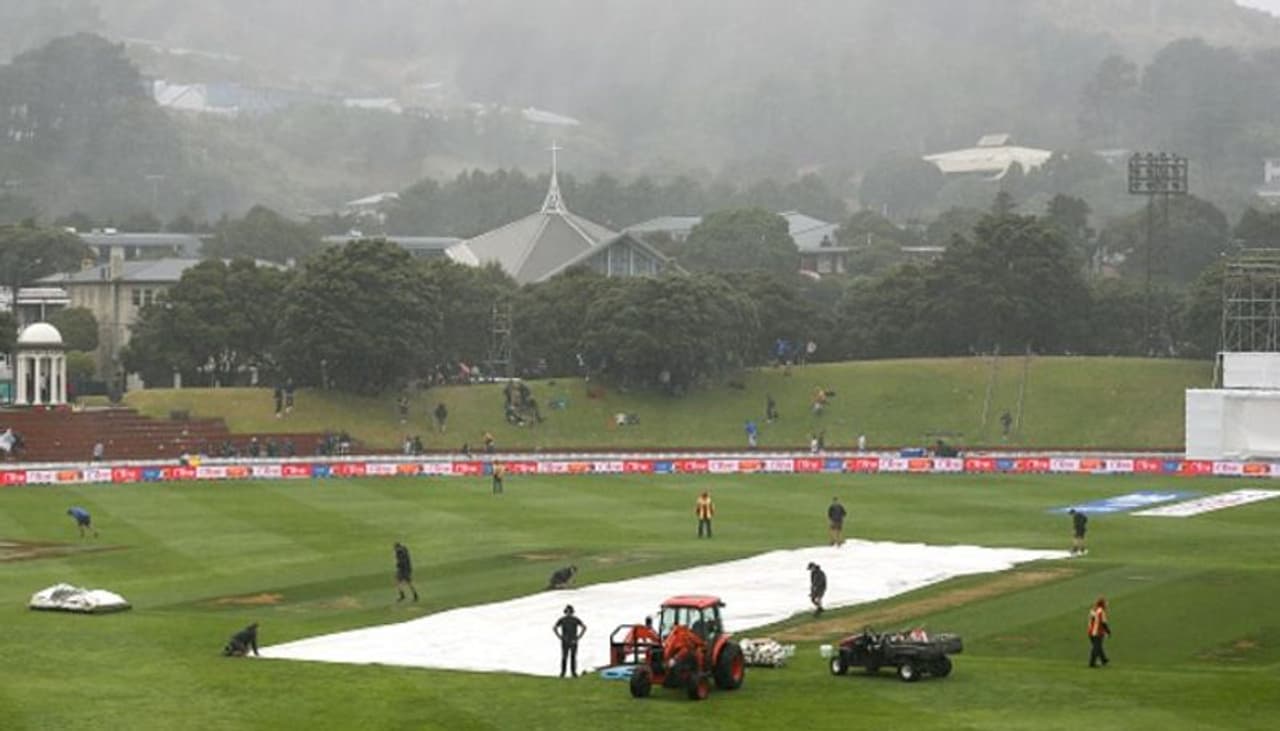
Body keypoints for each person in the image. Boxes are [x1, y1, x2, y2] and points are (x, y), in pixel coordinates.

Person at [553, 605, 587, 678]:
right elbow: (554, 628)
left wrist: (579, 637)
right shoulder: (562, 619)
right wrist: (559, 636)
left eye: (569, 611)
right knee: (565, 657)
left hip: (573, 641)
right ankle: (563, 672)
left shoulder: (574, 619)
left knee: (573, 657)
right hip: (565, 641)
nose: (568, 613)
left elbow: (584, 627)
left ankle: (573, 672)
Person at [1087, 596, 1111, 667]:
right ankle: (1092, 663)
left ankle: (1104, 660)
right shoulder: (1101, 611)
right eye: (1105, 603)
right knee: (1096, 648)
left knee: (1098, 646)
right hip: (1097, 632)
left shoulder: (1093, 610)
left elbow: (1091, 620)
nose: (1107, 604)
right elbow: (1103, 623)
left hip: (1090, 632)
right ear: (1102, 604)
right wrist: (1108, 631)